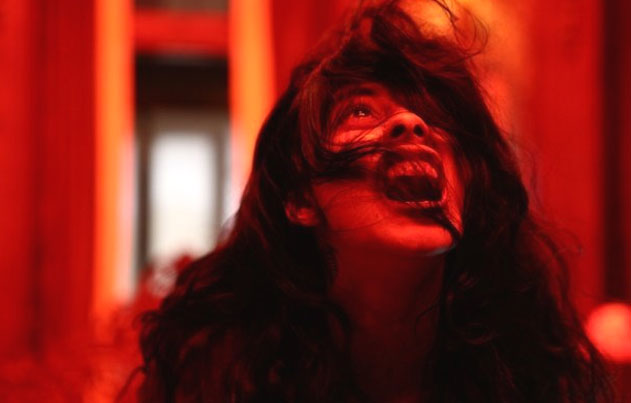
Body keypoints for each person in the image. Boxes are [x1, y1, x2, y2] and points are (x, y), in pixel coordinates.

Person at [136, 1, 613, 402]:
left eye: (435, 113)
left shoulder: (531, 372)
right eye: (360, 110)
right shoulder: (217, 374)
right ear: (301, 199)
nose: (411, 122)